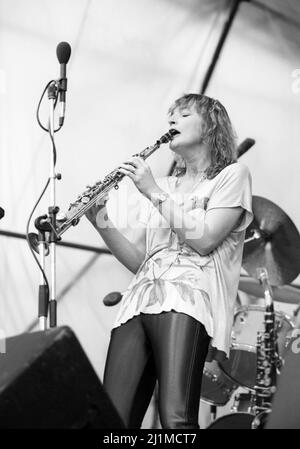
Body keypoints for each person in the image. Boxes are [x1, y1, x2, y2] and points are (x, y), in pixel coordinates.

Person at [86, 93, 253, 429]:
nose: (172, 121)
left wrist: (151, 191)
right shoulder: (163, 184)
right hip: (137, 301)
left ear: (210, 126)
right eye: (170, 116)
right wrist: (99, 219)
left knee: (175, 417)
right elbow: (140, 260)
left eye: (184, 114)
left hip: (188, 299)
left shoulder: (231, 176)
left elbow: (205, 239)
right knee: (113, 421)